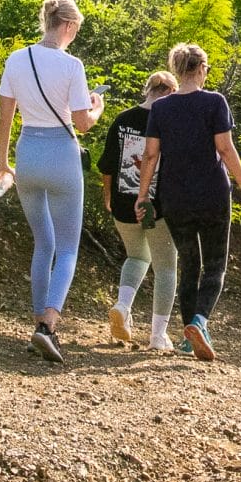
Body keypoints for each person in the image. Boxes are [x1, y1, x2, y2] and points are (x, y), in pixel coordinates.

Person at [0, 0, 100, 363]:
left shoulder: (16, 58)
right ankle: (48, 325)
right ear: (67, 26)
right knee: (68, 247)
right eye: (77, 30)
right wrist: (97, 109)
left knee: (43, 243)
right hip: (61, 154)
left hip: (27, 154)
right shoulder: (72, 66)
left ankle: (38, 320)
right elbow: (83, 123)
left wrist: (3, 163)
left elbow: (6, 115)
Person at [135, 43, 241, 362]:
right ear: (201, 68)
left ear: (177, 69)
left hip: (175, 198)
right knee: (215, 265)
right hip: (213, 195)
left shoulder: (161, 108)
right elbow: (226, 150)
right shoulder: (215, 102)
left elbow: (150, 154)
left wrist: (143, 195)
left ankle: (189, 338)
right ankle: (200, 321)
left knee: (189, 266)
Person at [95, 70, 181, 350]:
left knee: (137, 256)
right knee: (166, 266)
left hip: (123, 203)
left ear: (147, 90)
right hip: (157, 207)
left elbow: (107, 164)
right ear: (170, 93)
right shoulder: (170, 122)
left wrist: (108, 196)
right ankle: (158, 336)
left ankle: (123, 305)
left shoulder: (123, 119)